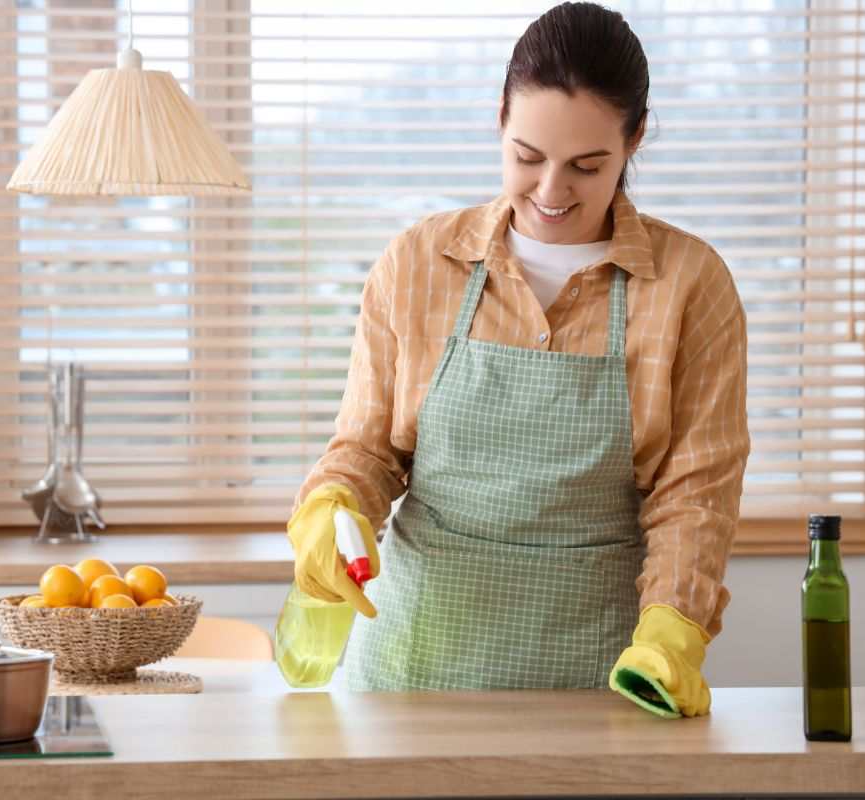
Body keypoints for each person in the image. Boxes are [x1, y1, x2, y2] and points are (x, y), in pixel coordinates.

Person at [286, 1, 749, 719]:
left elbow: (695, 496)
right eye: (527, 157)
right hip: (417, 667)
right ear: (499, 116)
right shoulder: (418, 264)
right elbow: (367, 449)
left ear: (636, 138)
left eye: (587, 166)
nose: (551, 191)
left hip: (598, 674)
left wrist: (674, 628)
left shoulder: (690, 285)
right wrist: (332, 506)